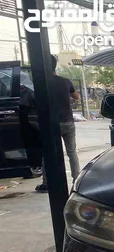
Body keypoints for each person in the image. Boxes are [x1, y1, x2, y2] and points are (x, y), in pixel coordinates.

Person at [35, 54, 80, 193]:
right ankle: (77, 180)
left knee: (47, 153)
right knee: (72, 152)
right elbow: (76, 97)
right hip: (68, 122)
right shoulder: (65, 81)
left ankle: (46, 182)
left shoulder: (42, 83)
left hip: (51, 124)